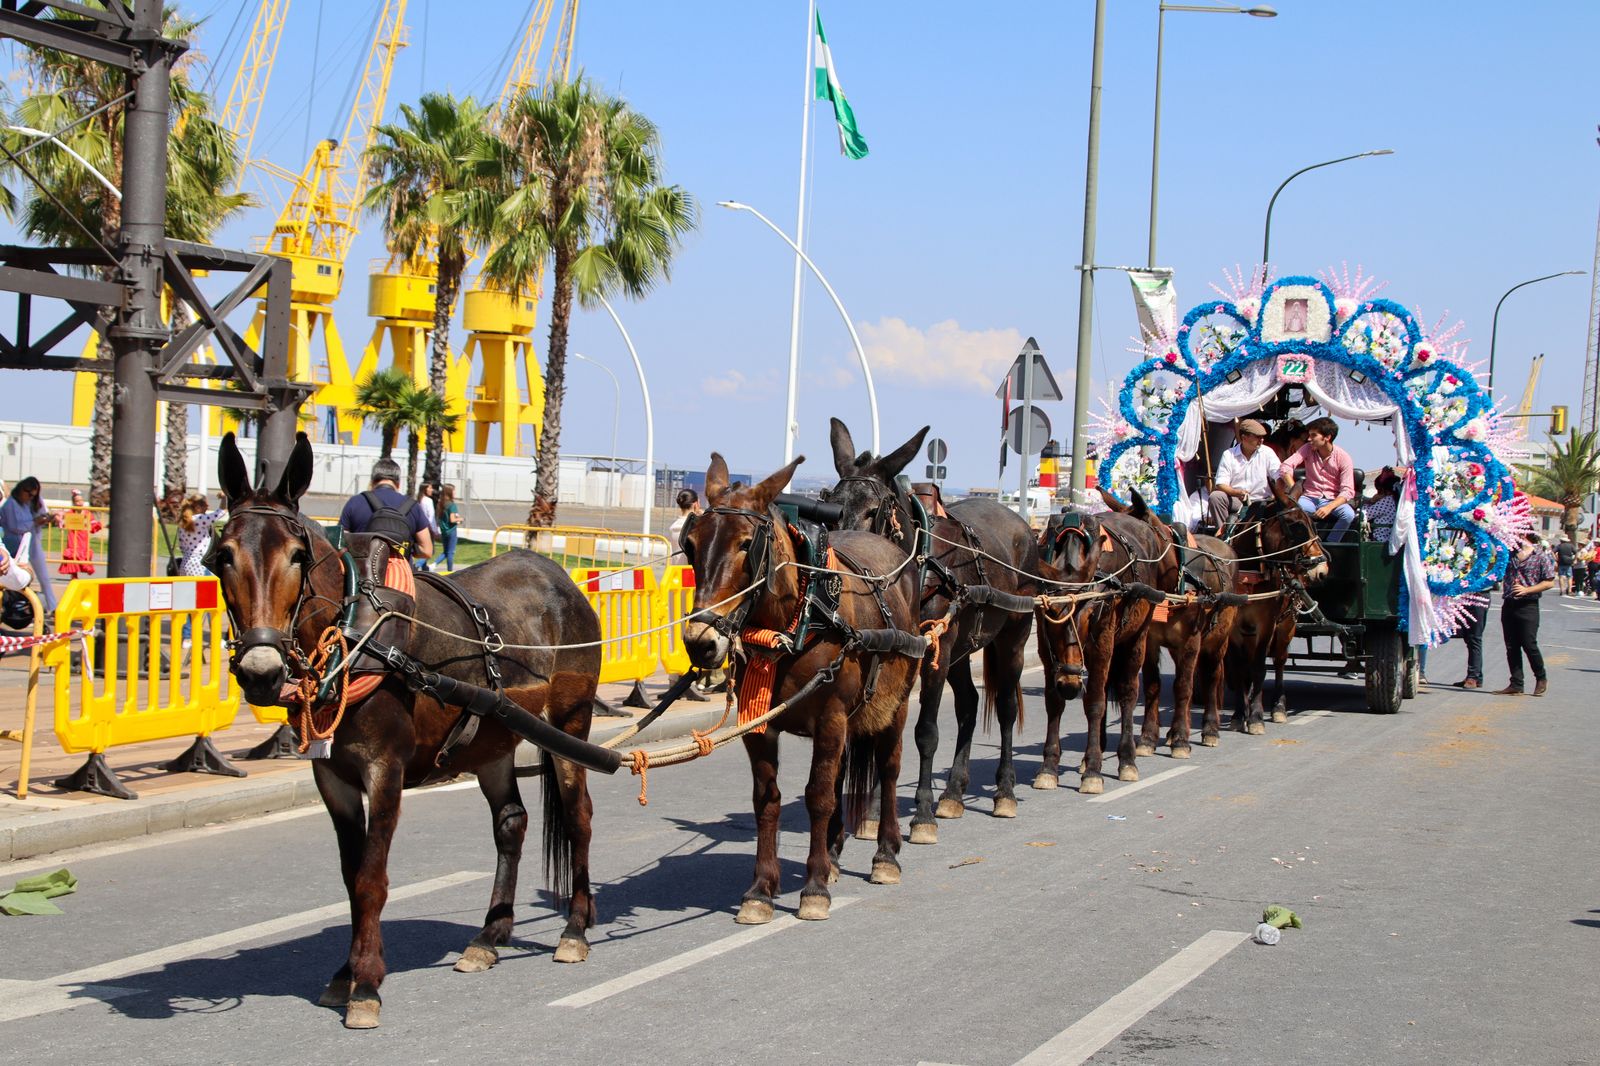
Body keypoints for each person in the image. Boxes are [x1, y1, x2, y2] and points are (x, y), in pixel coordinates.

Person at [1276, 416, 1357, 543]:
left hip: (1333, 499)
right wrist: (1294, 488)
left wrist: (1329, 507)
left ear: (1327, 437)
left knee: (1348, 515)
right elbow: (1286, 467)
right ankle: (1307, 544)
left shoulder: (1344, 457)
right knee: (1294, 511)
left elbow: (1347, 491)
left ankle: (1331, 544)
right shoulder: (1307, 448)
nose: (1309, 439)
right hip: (1308, 497)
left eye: (1313, 435)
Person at [1495, 530, 1556, 696]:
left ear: (1523, 535)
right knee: (1511, 646)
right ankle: (1516, 683)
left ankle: (1541, 677)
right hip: (1509, 603)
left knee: (1529, 644)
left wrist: (1527, 590)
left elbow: (1549, 582)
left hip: (1528, 605)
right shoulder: (1509, 554)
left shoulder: (1540, 556)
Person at [338, 457, 433, 562]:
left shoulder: (355, 502)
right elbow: (427, 550)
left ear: (372, 481)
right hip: (399, 571)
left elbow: (339, 543)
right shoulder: (413, 506)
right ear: (398, 484)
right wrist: (405, 548)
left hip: (363, 570)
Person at [1205, 419, 1280, 530]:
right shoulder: (1229, 454)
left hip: (1262, 502)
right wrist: (1236, 493)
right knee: (1216, 497)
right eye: (1258, 437)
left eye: (1262, 437)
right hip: (1238, 501)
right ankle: (1225, 533)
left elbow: (1279, 475)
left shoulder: (1267, 453)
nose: (1262, 440)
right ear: (1244, 437)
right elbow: (1220, 483)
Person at [0, 477, 57, 614]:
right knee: (15, 581)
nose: (30, 497)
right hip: (14, 545)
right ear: (21, 489)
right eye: (29, 494)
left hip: (29, 544)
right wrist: (35, 521)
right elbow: (15, 526)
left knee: (43, 576)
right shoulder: (11, 505)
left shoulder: (27, 504)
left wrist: (46, 519)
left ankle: (52, 606)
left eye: (33, 495)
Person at [177, 493, 228, 577]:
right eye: (206, 505)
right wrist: (224, 497)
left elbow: (182, 547)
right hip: (200, 565)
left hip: (185, 565)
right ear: (198, 507)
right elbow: (221, 512)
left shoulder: (183, 523)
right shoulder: (199, 519)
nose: (208, 507)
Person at [57, 488, 102, 577]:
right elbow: (62, 522)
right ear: (74, 503)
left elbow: (92, 525)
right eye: (77, 501)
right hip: (73, 538)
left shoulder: (87, 513)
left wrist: (97, 525)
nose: (80, 503)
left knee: (83, 556)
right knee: (73, 556)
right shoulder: (70, 513)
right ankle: (74, 575)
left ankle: (84, 569)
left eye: (81, 500)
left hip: (83, 539)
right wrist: (59, 518)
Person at [1453, 600, 1490, 689]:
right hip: (1464, 598)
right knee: (1469, 639)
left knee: (1474, 638)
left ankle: (1473, 677)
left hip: (1478, 599)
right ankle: (1477, 677)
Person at [1363, 468, 1401, 542]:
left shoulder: (1388, 500)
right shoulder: (1395, 499)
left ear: (1384, 490)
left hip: (1381, 539)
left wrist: (1371, 501)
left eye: (1379, 491)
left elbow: (1365, 514)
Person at [667, 488, 701, 564]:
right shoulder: (697, 527)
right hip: (691, 570)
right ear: (696, 504)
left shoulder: (673, 527)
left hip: (676, 569)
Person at [413, 482, 440, 572]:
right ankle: (418, 565)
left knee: (423, 547)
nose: (432, 490)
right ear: (425, 489)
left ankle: (424, 568)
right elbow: (431, 517)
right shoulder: (428, 500)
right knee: (430, 550)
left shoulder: (419, 500)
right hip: (428, 527)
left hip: (419, 527)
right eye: (430, 488)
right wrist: (435, 530)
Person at [437, 484, 462, 572]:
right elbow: (452, 519)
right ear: (449, 492)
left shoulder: (441, 504)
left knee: (445, 552)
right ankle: (450, 570)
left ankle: (434, 564)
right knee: (450, 552)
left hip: (444, 530)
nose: (455, 493)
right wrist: (461, 519)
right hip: (451, 530)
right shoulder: (452, 505)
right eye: (453, 491)